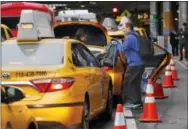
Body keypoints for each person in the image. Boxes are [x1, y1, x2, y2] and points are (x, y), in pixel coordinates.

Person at [117, 19, 145, 109]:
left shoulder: (129, 37)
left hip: (134, 64)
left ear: (128, 27)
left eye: (123, 26)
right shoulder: (135, 35)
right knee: (135, 83)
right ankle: (138, 102)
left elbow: (122, 49)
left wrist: (115, 43)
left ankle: (134, 102)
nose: (122, 28)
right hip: (139, 63)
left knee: (128, 82)